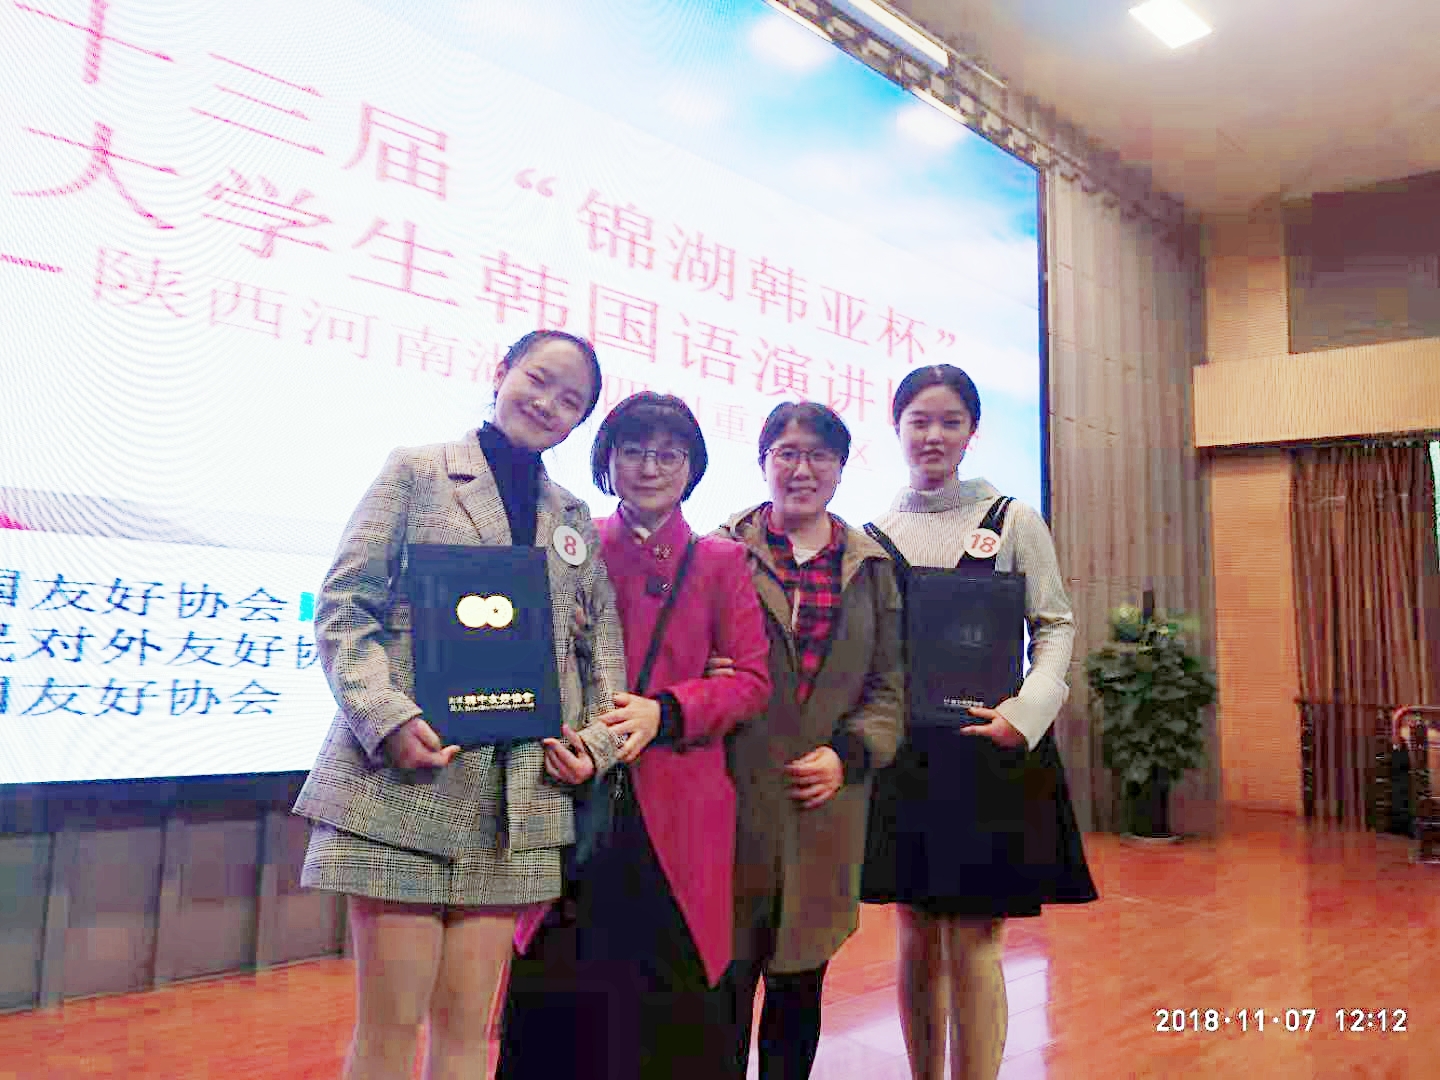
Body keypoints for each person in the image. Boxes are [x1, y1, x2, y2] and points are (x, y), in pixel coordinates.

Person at [292, 330, 626, 1080]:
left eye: (571, 400)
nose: (547, 403)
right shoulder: (417, 471)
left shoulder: (572, 517)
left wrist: (595, 746)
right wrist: (386, 717)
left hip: (519, 802)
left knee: (470, 1033)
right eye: (538, 379)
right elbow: (345, 605)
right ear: (501, 371)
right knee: (388, 1028)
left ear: (579, 422)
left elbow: (599, 650)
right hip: (404, 786)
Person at [496, 392, 772, 1079]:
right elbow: (526, 654)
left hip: (677, 807)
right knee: (557, 993)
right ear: (607, 460)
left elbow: (751, 683)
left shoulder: (721, 562)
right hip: (572, 792)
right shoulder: (571, 545)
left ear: (692, 467)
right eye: (633, 451)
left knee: (671, 1005)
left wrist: (666, 712)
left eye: (669, 455)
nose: (650, 468)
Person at [862, 364, 1097, 1080]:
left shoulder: (1013, 518)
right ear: (897, 428)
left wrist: (1028, 713)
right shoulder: (873, 532)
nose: (933, 435)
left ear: (972, 431)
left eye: (950, 421)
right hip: (906, 756)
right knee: (913, 932)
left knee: (974, 939)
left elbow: (1054, 624)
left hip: (990, 750)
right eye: (919, 421)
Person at [718, 401, 905, 1080]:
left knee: (799, 988)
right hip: (730, 804)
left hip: (824, 806)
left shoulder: (870, 567)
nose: (802, 469)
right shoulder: (718, 552)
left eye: (819, 455)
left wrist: (848, 755)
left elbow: (888, 688)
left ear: (841, 468)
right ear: (763, 462)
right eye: (787, 453)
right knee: (721, 989)